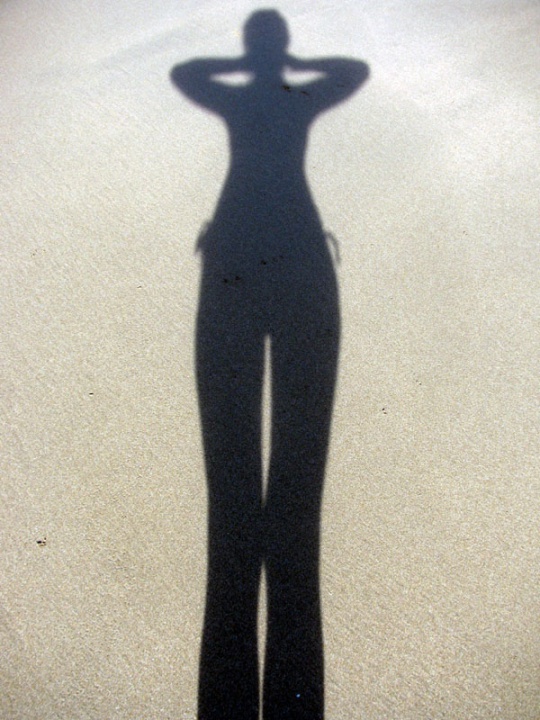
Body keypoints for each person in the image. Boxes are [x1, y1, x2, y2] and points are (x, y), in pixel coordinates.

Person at [171, 10, 368, 719]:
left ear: (257, 45)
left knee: (246, 498)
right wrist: (284, 68)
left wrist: (254, 68)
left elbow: (188, 74)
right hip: (297, 260)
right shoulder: (294, 97)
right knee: (288, 496)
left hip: (237, 255)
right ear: (278, 44)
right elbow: (351, 71)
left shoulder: (250, 97)